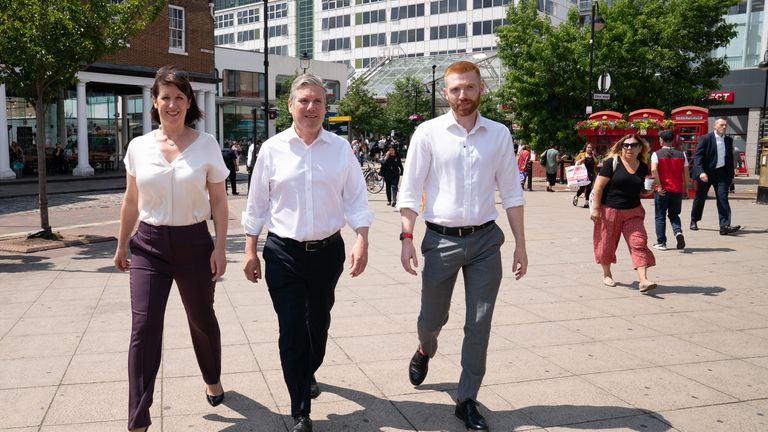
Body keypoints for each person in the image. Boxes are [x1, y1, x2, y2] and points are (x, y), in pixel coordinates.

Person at [398, 61, 527, 431]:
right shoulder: (427, 133)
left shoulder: (499, 134)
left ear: (481, 89)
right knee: (431, 319)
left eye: (469, 88)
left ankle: (466, 398)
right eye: (455, 89)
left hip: (486, 240)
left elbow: (512, 192)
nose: (462, 96)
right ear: (445, 93)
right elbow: (409, 191)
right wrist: (407, 237)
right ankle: (425, 348)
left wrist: (520, 244)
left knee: (480, 322)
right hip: (440, 240)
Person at [242, 74, 372, 432]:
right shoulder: (272, 150)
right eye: (303, 101)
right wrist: (250, 249)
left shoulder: (340, 149)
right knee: (291, 329)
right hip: (283, 253)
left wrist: (362, 238)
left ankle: (308, 369)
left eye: (317, 101)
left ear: (325, 108)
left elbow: (356, 198)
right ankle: (300, 408)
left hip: (327, 253)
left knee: (319, 323)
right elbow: (256, 205)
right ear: (290, 106)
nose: (310, 108)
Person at [113, 66, 230, 432]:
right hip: (148, 246)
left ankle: (212, 377)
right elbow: (131, 200)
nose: (173, 104)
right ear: (154, 101)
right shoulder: (138, 146)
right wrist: (121, 244)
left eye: (180, 97)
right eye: (166, 97)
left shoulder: (207, 144)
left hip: (195, 244)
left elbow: (220, 202)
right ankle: (138, 419)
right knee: (144, 327)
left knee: (202, 321)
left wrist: (220, 247)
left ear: (189, 101)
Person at [590, 134, 657, 293]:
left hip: (633, 211)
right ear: (621, 147)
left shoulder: (642, 166)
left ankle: (643, 280)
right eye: (625, 145)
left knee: (638, 242)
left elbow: (642, 191)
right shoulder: (611, 163)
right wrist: (595, 208)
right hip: (609, 211)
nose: (629, 148)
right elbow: (598, 187)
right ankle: (607, 274)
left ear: (640, 148)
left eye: (633, 145)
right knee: (606, 245)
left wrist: (649, 190)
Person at [690, 118, 740, 235]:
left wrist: (731, 176)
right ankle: (694, 220)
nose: (724, 127)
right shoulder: (706, 138)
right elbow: (698, 157)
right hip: (706, 173)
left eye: (725, 125)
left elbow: (729, 158)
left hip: (722, 173)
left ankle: (724, 226)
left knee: (723, 198)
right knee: (700, 197)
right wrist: (701, 172)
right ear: (715, 126)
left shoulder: (728, 140)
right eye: (721, 125)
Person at [651, 130, 689, 250]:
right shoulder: (682, 154)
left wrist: (659, 186)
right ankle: (678, 232)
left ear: (661, 140)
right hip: (677, 190)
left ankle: (661, 242)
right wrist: (686, 189)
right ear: (672, 140)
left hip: (663, 190)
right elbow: (686, 173)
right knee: (674, 214)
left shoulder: (656, 154)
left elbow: (653, 170)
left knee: (660, 216)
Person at [573, 143, 597, 208]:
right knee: (582, 188)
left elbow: (596, 162)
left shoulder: (593, 155)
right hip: (583, 174)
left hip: (591, 174)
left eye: (590, 147)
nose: (589, 148)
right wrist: (582, 159)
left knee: (589, 189)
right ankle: (576, 196)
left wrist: (593, 155)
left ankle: (586, 203)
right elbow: (576, 162)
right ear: (585, 148)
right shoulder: (582, 154)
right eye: (588, 147)